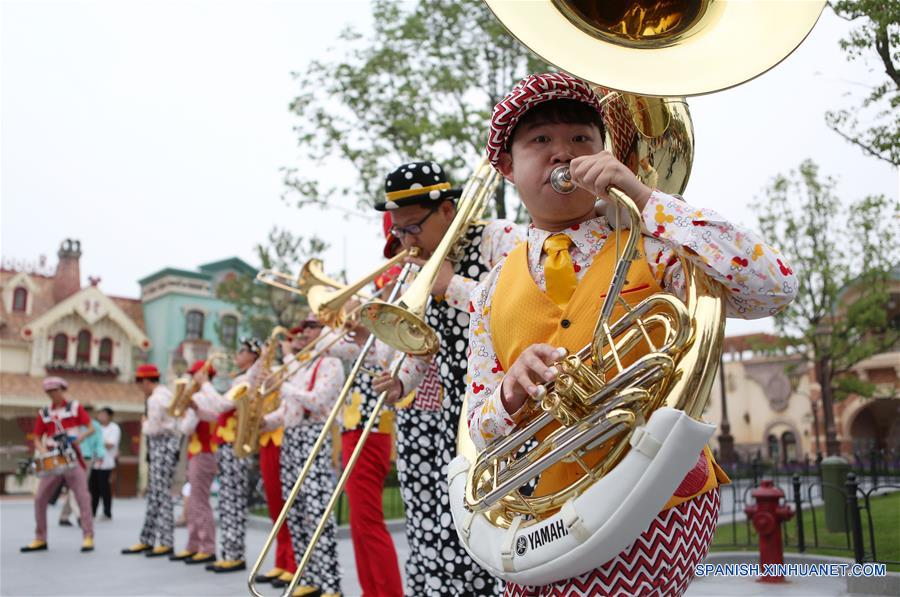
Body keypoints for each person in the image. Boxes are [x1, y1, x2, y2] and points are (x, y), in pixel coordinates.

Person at [466, 72, 799, 596]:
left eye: (581, 139)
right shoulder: (489, 291)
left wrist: (646, 199)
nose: (563, 154)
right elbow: (477, 428)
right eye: (540, 140)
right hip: (543, 510)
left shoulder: (656, 243)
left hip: (659, 496)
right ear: (506, 166)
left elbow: (774, 287)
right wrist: (509, 394)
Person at [371, 161, 524, 596]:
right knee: (457, 532)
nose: (405, 242)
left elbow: (523, 309)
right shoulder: (423, 263)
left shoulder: (499, 238)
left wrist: (450, 285)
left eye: (411, 229)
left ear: (446, 210)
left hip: (512, 419)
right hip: (455, 420)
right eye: (398, 232)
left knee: (503, 532)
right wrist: (403, 382)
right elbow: (427, 342)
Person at [263, 315, 343, 597]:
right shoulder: (302, 366)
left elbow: (317, 400)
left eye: (312, 328)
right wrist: (266, 422)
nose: (305, 334)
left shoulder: (331, 363)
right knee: (294, 510)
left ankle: (331, 585)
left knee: (317, 510)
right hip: (293, 437)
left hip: (315, 435)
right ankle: (307, 576)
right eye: (303, 329)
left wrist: (281, 383)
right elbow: (290, 409)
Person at [190, 338, 262, 573]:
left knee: (232, 500)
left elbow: (222, 405)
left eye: (242, 351)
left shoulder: (247, 379)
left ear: (253, 356)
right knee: (227, 500)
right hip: (227, 441)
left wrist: (205, 386)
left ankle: (234, 553)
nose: (237, 354)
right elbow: (220, 413)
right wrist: (198, 410)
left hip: (234, 443)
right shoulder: (240, 378)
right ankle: (230, 551)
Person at [20, 376, 96, 553]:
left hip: (72, 457)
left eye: (55, 389)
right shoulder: (44, 413)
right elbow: (36, 437)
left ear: (63, 389)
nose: (52, 393)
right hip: (53, 459)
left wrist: (78, 438)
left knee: (83, 497)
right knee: (40, 498)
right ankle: (40, 538)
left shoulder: (75, 407)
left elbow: (90, 427)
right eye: (49, 391)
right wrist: (42, 451)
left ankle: (88, 536)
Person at [122, 363, 180, 557]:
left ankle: (164, 541)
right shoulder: (165, 396)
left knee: (161, 495)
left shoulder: (156, 399)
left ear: (147, 381)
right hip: (165, 447)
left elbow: (154, 428)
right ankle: (148, 538)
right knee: (156, 495)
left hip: (161, 446)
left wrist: (144, 425)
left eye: (141, 383)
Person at [169, 361, 219, 565]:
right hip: (199, 452)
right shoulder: (205, 396)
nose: (191, 380)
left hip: (203, 452)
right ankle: (194, 544)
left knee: (199, 501)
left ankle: (205, 546)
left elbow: (187, 427)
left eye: (193, 375)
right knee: (195, 500)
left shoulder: (201, 397)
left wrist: (185, 412)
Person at [61, 404, 104, 527]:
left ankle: (64, 516)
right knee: (77, 488)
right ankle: (80, 515)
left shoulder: (95, 426)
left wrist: (100, 455)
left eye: (88, 411)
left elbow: (99, 442)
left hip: (86, 459)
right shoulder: (72, 424)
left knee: (78, 487)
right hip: (72, 458)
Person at [90, 407, 120, 520]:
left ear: (109, 416)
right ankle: (92, 512)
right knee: (93, 489)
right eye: (100, 414)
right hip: (94, 462)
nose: (101, 416)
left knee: (104, 489)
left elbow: (111, 444)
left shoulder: (114, 428)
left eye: (104, 414)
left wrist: (98, 443)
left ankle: (107, 512)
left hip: (106, 463)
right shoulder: (95, 427)